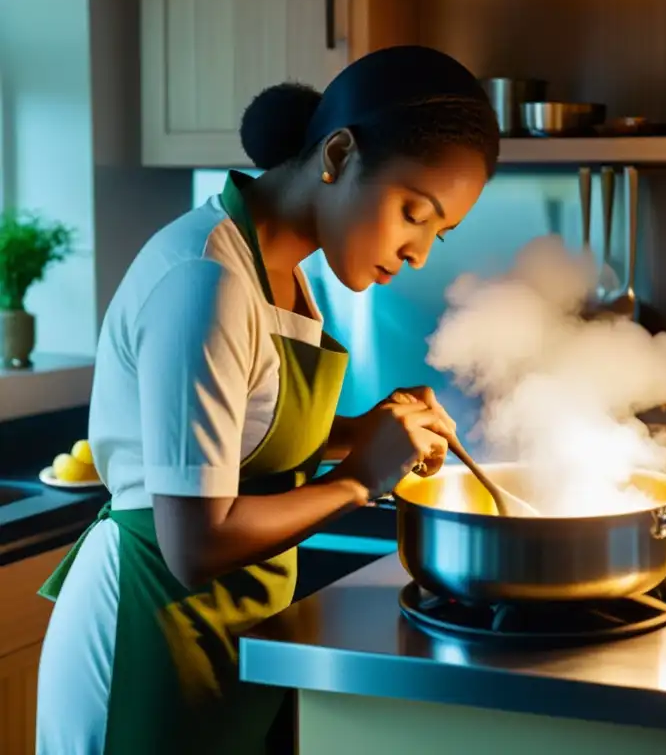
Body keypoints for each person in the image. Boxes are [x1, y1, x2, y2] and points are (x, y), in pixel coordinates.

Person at [35, 45, 500, 755]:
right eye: (415, 212)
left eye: (440, 232)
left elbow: (240, 440)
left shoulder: (282, 275)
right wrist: (357, 478)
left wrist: (361, 433)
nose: (419, 254)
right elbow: (195, 543)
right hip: (149, 628)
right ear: (339, 154)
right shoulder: (205, 281)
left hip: (226, 630)